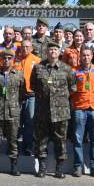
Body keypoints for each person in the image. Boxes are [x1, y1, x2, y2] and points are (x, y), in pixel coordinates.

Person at [31, 41, 75, 178]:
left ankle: (59, 168)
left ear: (59, 51)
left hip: (60, 112)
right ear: (47, 51)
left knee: (60, 140)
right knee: (41, 140)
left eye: (55, 49)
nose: (53, 52)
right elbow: (33, 85)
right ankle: (42, 167)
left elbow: (72, 87)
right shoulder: (38, 68)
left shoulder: (66, 68)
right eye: (50, 49)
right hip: (42, 111)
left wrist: (59, 98)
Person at [0, 49, 25, 176]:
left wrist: (14, 105)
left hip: (12, 113)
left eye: (9, 58)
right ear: (0, 60)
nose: (6, 60)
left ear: (13, 60)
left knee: (13, 140)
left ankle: (14, 166)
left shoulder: (19, 75)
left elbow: (22, 94)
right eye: (4, 58)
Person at [70, 45, 94, 178]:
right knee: (78, 139)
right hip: (79, 108)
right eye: (83, 55)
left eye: (88, 55)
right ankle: (78, 166)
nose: (86, 57)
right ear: (80, 57)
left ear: (92, 56)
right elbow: (70, 89)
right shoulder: (74, 71)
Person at [13, 39, 40, 156]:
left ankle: (28, 147)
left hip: (32, 95)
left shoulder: (38, 61)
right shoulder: (14, 60)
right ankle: (14, 148)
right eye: (23, 46)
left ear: (32, 48)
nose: (25, 49)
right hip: (17, 95)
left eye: (27, 47)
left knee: (29, 121)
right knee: (16, 122)